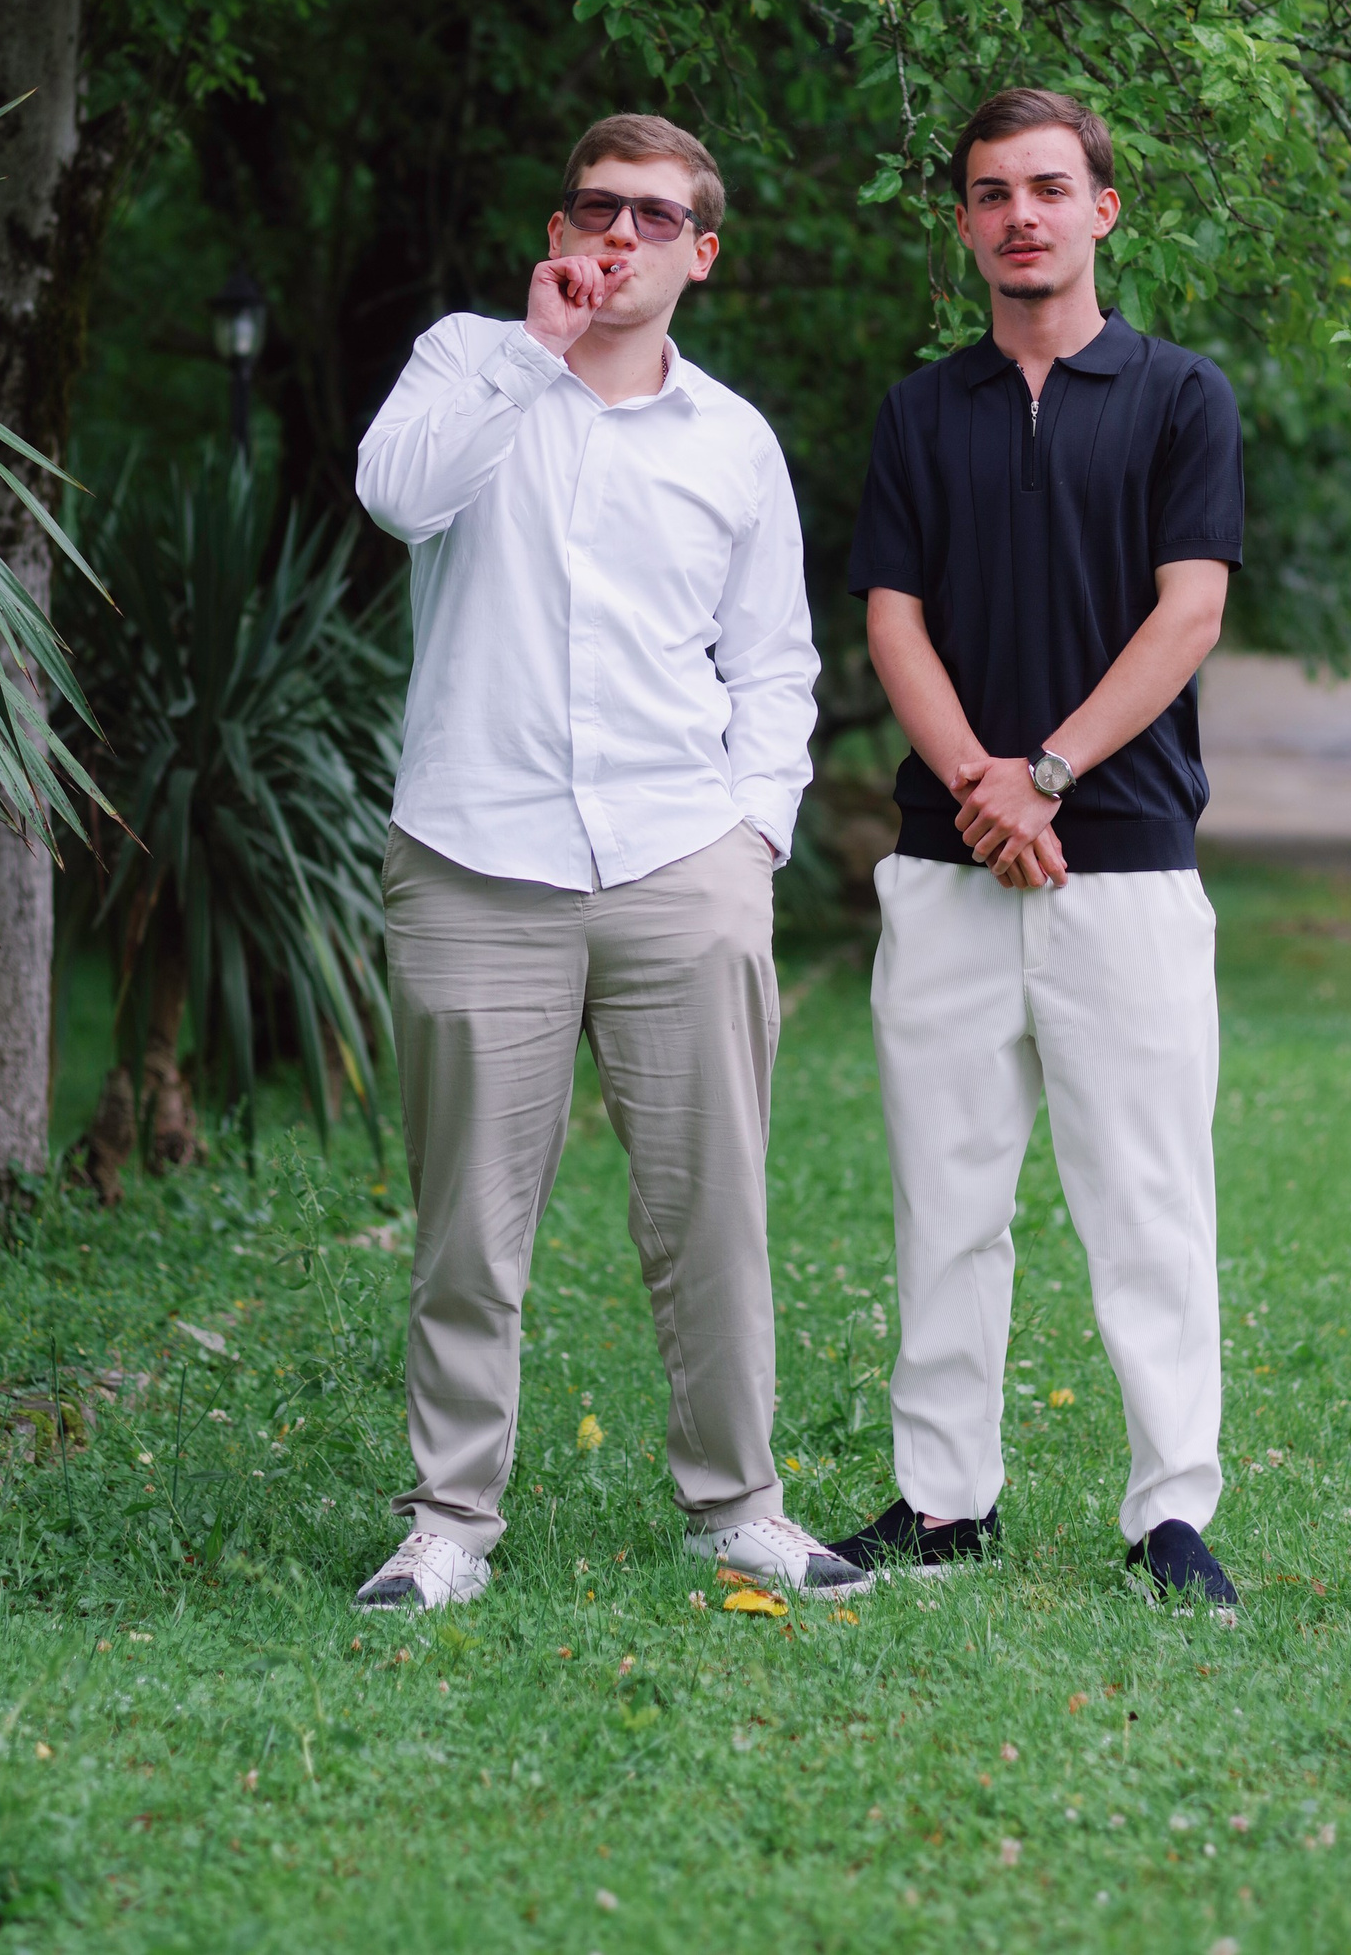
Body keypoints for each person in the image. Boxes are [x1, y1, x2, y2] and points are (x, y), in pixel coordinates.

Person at [351, 112, 865, 1609]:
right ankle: (451, 1523)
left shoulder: (733, 441)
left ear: (702, 255)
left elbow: (774, 662)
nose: (619, 236)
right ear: (558, 231)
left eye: (654, 217)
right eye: (595, 209)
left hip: (679, 861)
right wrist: (535, 351)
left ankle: (740, 1507)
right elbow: (397, 497)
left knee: (714, 1211)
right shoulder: (468, 363)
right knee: (468, 1226)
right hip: (474, 858)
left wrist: (755, 835)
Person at [824, 86, 1244, 1610]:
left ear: (1101, 210)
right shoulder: (920, 412)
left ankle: (1171, 1515)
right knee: (946, 1200)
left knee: (1148, 1203)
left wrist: (1048, 774)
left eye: (1051, 188)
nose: (1023, 216)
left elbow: (1189, 613)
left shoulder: (1181, 396)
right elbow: (893, 622)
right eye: (994, 193)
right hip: (947, 866)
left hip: (1124, 865)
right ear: (964, 225)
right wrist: (982, 788)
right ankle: (945, 1504)